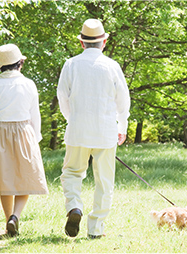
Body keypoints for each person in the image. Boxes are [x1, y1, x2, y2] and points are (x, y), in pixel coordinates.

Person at [57, 19, 131, 239]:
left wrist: (73, 118)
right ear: (104, 42)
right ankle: (96, 228)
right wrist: (123, 125)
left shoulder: (70, 64)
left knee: (71, 173)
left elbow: (62, 97)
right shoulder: (112, 66)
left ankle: (74, 207)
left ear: (82, 43)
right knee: (104, 181)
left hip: (78, 129)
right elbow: (123, 101)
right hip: (106, 131)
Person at [0, 44, 49, 237]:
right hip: (23, 129)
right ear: (20, 63)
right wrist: (36, 138)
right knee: (25, 177)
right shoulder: (28, 84)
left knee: (5, 179)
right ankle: (15, 216)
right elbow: (34, 114)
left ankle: (7, 221)